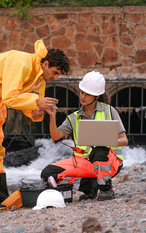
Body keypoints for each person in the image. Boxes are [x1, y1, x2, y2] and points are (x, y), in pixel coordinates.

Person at [0, 39, 70, 213]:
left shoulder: (41, 79)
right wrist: (37, 102)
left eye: (59, 75)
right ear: (45, 64)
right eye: (55, 72)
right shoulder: (21, 63)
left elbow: (32, 104)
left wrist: (36, 112)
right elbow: (10, 97)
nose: (56, 78)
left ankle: (0, 197)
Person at [41, 71, 128, 201]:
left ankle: (106, 189)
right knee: (47, 172)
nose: (83, 96)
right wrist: (52, 116)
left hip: (110, 163)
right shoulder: (74, 118)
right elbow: (55, 136)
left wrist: (105, 141)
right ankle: (89, 186)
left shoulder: (109, 111)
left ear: (97, 96)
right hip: (84, 163)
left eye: (88, 94)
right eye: (82, 92)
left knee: (99, 150)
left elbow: (124, 140)